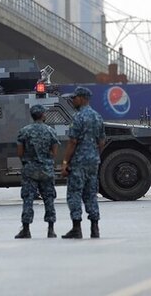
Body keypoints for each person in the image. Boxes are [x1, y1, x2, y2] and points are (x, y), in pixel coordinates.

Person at [60, 87, 105, 239]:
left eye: (75, 98)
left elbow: (73, 142)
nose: (73, 101)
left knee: (74, 194)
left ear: (82, 98)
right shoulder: (97, 117)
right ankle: (95, 228)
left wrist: (65, 162)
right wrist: (94, 155)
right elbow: (101, 141)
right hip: (93, 161)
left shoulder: (78, 117)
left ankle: (76, 228)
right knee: (91, 194)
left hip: (79, 162)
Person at [14, 104, 60, 239]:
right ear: (42, 115)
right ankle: (51, 229)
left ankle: (26, 229)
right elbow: (54, 151)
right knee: (49, 198)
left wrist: (28, 160)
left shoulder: (24, 131)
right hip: (46, 169)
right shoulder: (50, 131)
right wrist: (46, 159)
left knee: (28, 199)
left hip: (30, 170)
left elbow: (20, 152)